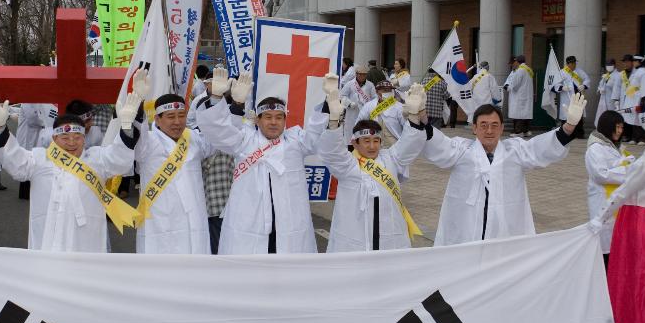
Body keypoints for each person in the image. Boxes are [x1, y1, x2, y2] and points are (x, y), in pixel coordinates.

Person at [415, 94, 585, 245]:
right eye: (483, 125)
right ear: (474, 128)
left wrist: (569, 126)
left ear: (502, 128)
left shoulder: (515, 151)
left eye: (495, 125)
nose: (489, 130)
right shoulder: (461, 150)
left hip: (504, 234)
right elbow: (438, 144)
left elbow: (541, 148)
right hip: (464, 232)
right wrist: (422, 117)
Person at [0, 94, 140, 253]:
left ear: (84, 138)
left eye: (77, 137)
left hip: (87, 245)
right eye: (65, 137)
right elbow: (13, 159)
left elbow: (120, 159)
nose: (71, 142)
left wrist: (126, 126)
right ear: (54, 138)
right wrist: (0, 127)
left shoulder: (97, 159)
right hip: (48, 244)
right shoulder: (39, 159)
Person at [195, 66, 323, 254]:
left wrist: (329, 109)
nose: (273, 122)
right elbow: (218, 131)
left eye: (279, 117)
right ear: (257, 120)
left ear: (285, 120)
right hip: (249, 226)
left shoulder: (295, 142)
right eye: (268, 117)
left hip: (288, 228)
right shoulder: (245, 140)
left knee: (289, 277)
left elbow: (318, 137)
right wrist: (228, 101)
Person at [315, 79, 429, 251]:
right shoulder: (347, 164)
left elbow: (410, 144)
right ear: (355, 142)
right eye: (366, 141)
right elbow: (331, 151)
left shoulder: (390, 158)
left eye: (376, 140)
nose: (372, 146)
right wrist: (333, 122)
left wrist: (414, 117)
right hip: (354, 242)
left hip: (389, 242)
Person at [129, 71, 218, 254]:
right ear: (158, 120)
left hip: (194, 222)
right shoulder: (148, 142)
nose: (177, 122)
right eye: (171, 117)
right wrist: (138, 101)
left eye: (181, 115)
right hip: (160, 225)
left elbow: (220, 139)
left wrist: (217, 101)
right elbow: (137, 133)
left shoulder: (193, 138)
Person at [595, 124, 645, 323]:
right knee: (640, 277)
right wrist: (600, 218)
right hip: (640, 223)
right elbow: (621, 193)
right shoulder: (644, 164)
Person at [584, 110, 636, 259]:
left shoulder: (613, 146)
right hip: (602, 200)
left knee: (616, 246)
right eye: (617, 127)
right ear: (608, 127)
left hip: (614, 202)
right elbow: (601, 174)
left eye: (621, 127)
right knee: (604, 249)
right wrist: (627, 171)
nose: (620, 131)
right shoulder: (595, 148)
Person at [15, 102, 57, 199]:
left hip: (38, 135)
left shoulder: (40, 101)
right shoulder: (27, 102)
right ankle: (25, 193)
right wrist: (47, 122)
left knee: (36, 163)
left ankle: (33, 190)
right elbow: (32, 119)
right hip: (28, 136)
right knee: (26, 164)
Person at [555, 56, 590, 138]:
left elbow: (587, 79)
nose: (574, 65)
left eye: (575, 63)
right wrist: (562, 87)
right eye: (572, 63)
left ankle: (579, 134)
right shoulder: (562, 72)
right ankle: (566, 134)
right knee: (566, 116)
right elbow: (556, 84)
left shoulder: (579, 71)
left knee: (578, 115)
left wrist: (584, 86)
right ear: (568, 64)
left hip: (577, 96)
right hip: (567, 98)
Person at [340, 63, 377, 139]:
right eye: (360, 74)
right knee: (351, 133)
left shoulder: (370, 85)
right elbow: (342, 96)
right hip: (352, 112)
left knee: (364, 133)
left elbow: (374, 97)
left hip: (366, 112)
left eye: (364, 74)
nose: (362, 76)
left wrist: (371, 107)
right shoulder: (350, 84)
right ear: (356, 74)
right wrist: (349, 103)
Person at [621, 55, 645, 144]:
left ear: (640, 62)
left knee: (642, 119)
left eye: (635, 61)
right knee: (634, 119)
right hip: (634, 99)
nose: (633, 62)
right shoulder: (637, 71)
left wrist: (643, 98)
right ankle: (635, 138)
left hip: (641, 99)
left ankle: (643, 138)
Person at [503, 56, 534, 135]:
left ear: (517, 62)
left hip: (519, 96)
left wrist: (507, 87)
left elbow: (514, 84)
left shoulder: (520, 70)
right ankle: (526, 131)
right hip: (526, 96)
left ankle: (518, 131)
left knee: (518, 114)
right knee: (525, 114)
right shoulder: (528, 70)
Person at [594, 58, 622, 125]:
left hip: (612, 101)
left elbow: (617, 88)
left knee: (611, 118)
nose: (608, 66)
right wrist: (600, 89)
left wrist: (616, 100)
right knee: (602, 116)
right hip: (603, 100)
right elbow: (600, 86)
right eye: (607, 64)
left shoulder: (618, 75)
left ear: (614, 65)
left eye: (610, 64)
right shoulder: (606, 75)